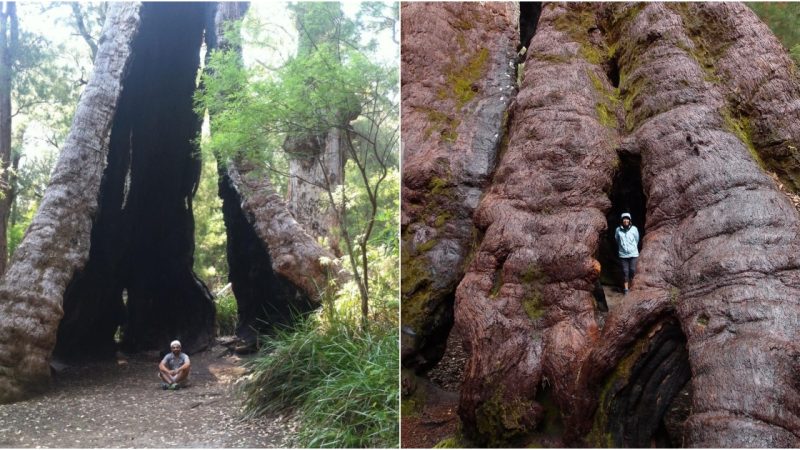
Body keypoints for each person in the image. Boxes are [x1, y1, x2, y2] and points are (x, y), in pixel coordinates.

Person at [614, 212, 640, 295]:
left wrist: (632, 247)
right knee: (625, 272)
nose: (625, 220)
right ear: (622, 220)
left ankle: (633, 287)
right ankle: (626, 289)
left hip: (633, 254)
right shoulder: (618, 230)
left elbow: (637, 239)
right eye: (624, 219)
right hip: (623, 255)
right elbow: (617, 240)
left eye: (627, 219)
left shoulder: (634, 229)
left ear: (629, 220)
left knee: (632, 270)